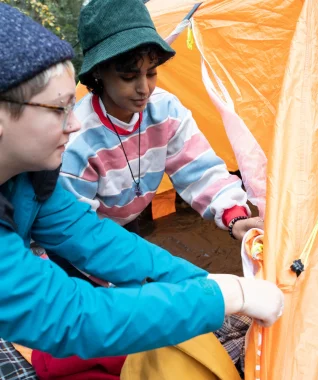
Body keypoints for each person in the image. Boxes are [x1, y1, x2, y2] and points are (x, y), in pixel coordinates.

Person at [0, 3, 284, 377]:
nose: (72, 125)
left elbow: (93, 237)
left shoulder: (31, 180)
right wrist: (226, 297)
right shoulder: (75, 147)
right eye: (58, 109)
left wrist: (201, 282)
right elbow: (74, 314)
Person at [59, 0, 264, 246]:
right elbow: (76, 232)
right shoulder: (77, 141)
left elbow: (199, 169)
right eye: (128, 76)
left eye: (152, 72)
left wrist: (234, 217)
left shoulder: (164, 110)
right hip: (81, 237)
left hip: (125, 221)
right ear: (98, 73)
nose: (144, 89)